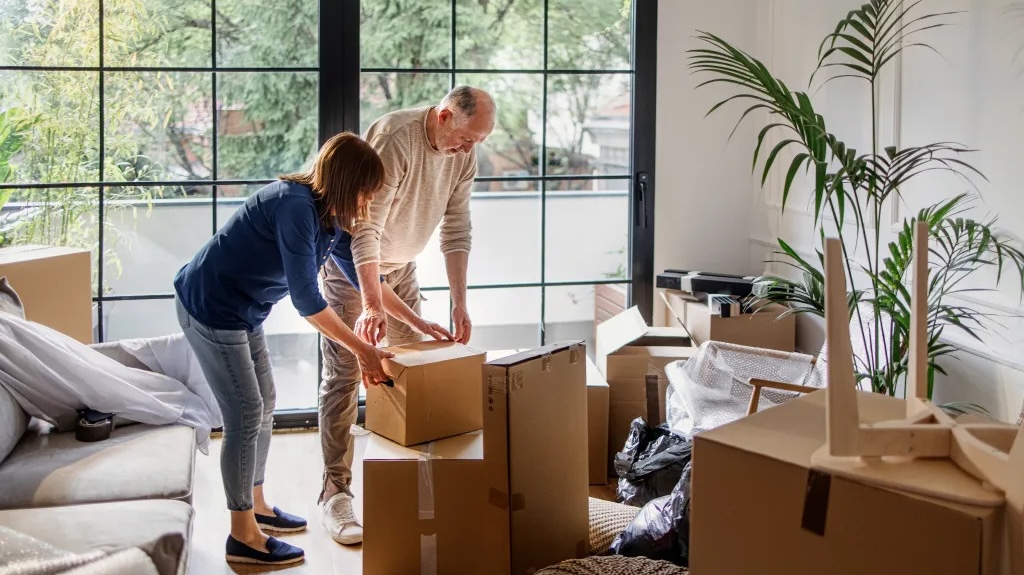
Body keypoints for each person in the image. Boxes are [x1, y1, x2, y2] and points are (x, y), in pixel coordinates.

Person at [173, 132, 450, 565]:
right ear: (345, 182)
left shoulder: (329, 217)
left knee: (264, 404)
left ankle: (257, 506)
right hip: (210, 307)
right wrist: (364, 350)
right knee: (246, 412)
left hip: (245, 310)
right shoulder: (294, 207)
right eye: (365, 193)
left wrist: (417, 321)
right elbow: (308, 302)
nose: (366, 205)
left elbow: (366, 279)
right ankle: (242, 536)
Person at [318, 85, 496, 545]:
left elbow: (457, 227)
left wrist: (459, 299)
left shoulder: (463, 152)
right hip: (352, 267)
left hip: (402, 268)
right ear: (442, 116)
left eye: (478, 141)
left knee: (415, 373)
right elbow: (364, 228)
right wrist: (373, 303)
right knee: (345, 375)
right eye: (467, 137)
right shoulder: (396, 138)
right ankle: (335, 492)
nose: (468, 149)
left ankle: (412, 488)